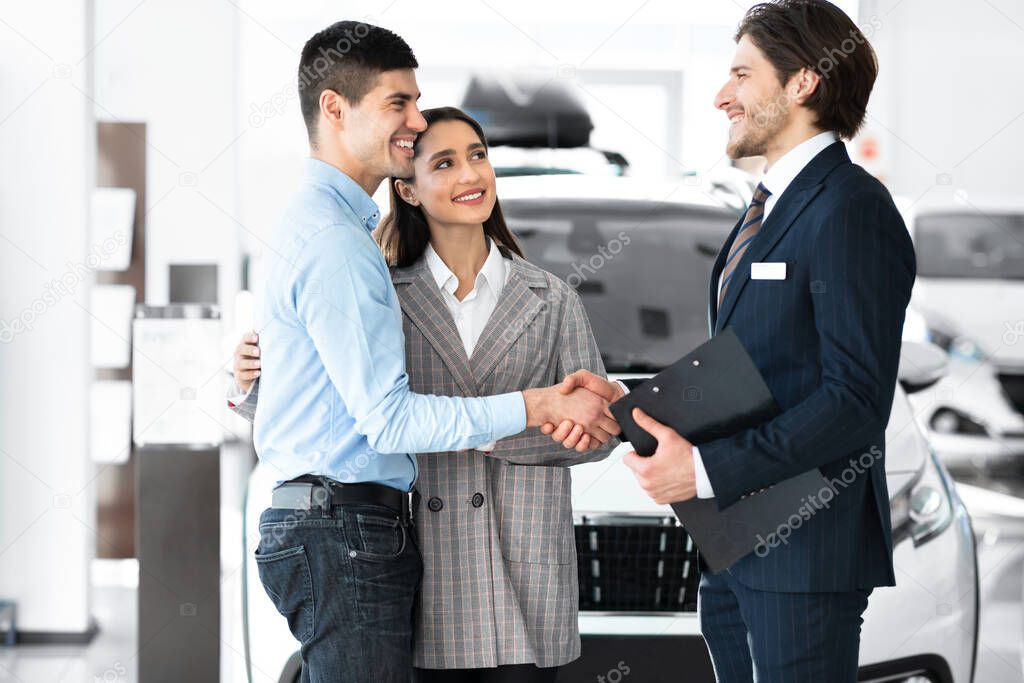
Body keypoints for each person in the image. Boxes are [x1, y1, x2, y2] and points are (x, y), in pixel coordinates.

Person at [239, 21, 618, 683]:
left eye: (479, 154)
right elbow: (382, 416)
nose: (414, 121)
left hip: (515, 572)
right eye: (399, 105)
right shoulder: (361, 262)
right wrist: (533, 407)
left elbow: (597, 425)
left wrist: (547, 425)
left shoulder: (549, 297)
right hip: (387, 552)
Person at [553, 1, 916, 680]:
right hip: (738, 544)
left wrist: (708, 470)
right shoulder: (774, 205)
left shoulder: (849, 207)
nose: (723, 96)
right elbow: (757, 372)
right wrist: (627, 405)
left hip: (804, 550)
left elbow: (855, 399)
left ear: (803, 81)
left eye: (741, 75)